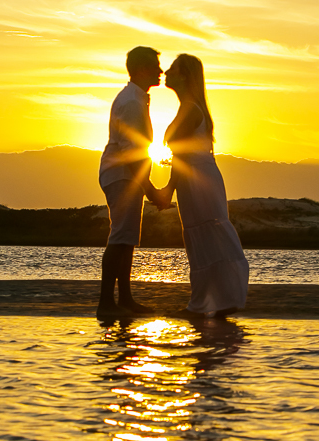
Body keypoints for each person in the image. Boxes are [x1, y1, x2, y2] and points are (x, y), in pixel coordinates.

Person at [157, 54, 249, 317]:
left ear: (184, 75)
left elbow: (181, 155)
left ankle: (204, 304)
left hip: (197, 179)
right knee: (203, 235)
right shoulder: (190, 107)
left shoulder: (191, 109)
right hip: (198, 177)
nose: (166, 72)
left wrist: (167, 189)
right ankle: (216, 301)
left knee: (205, 234)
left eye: (173, 69)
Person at [97, 45, 165, 318]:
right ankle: (106, 302)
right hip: (121, 174)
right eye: (154, 66)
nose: (160, 71)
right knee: (120, 237)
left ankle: (123, 298)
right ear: (140, 70)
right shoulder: (132, 102)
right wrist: (151, 190)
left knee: (126, 238)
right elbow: (130, 151)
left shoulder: (137, 99)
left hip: (126, 174)